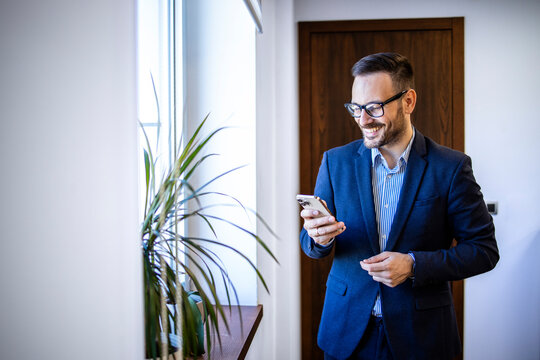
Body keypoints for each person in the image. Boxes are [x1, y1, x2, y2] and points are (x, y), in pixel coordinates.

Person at [299, 52, 499, 360]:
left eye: (374, 107)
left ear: (408, 101)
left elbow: (484, 250)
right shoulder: (335, 162)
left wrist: (414, 264)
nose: (363, 120)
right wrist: (318, 237)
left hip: (422, 336)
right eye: (356, 108)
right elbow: (311, 244)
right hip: (347, 332)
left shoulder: (451, 167)